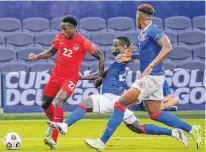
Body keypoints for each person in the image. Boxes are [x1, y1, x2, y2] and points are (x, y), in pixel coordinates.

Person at [83, 4, 202, 151]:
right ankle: (192, 129)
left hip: (151, 77)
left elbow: (168, 47)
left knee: (120, 104)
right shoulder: (143, 34)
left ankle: (101, 142)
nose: (135, 19)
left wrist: (151, 65)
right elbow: (146, 54)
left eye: (136, 16)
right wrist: (131, 56)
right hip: (155, 77)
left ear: (140, 17)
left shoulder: (153, 30)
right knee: (155, 114)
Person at [47, 36, 187, 149]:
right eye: (113, 45)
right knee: (138, 128)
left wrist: (131, 55)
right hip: (118, 100)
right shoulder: (117, 61)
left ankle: (66, 125)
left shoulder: (122, 58)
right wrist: (82, 77)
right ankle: (173, 132)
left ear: (124, 47)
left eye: (116, 45)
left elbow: (127, 59)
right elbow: (101, 73)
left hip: (111, 97)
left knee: (86, 103)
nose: (112, 47)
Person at [28, 15, 104, 149]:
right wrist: (37, 57)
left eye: (66, 28)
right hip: (55, 75)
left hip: (70, 78)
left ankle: (54, 140)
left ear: (74, 28)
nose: (63, 31)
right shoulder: (59, 37)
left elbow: (100, 56)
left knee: (58, 101)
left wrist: (100, 76)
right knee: (45, 104)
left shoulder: (84, 42)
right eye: (61, 28)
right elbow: (51, 52)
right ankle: (53, 124)